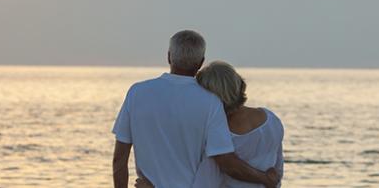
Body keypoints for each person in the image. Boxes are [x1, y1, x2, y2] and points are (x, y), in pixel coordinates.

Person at [112, 30, 280, 188]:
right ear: (200, 63)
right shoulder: (211, 101)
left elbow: (120, 159)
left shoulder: (137, 92)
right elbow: (225, 160)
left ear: (169, 57)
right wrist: (266, 179)